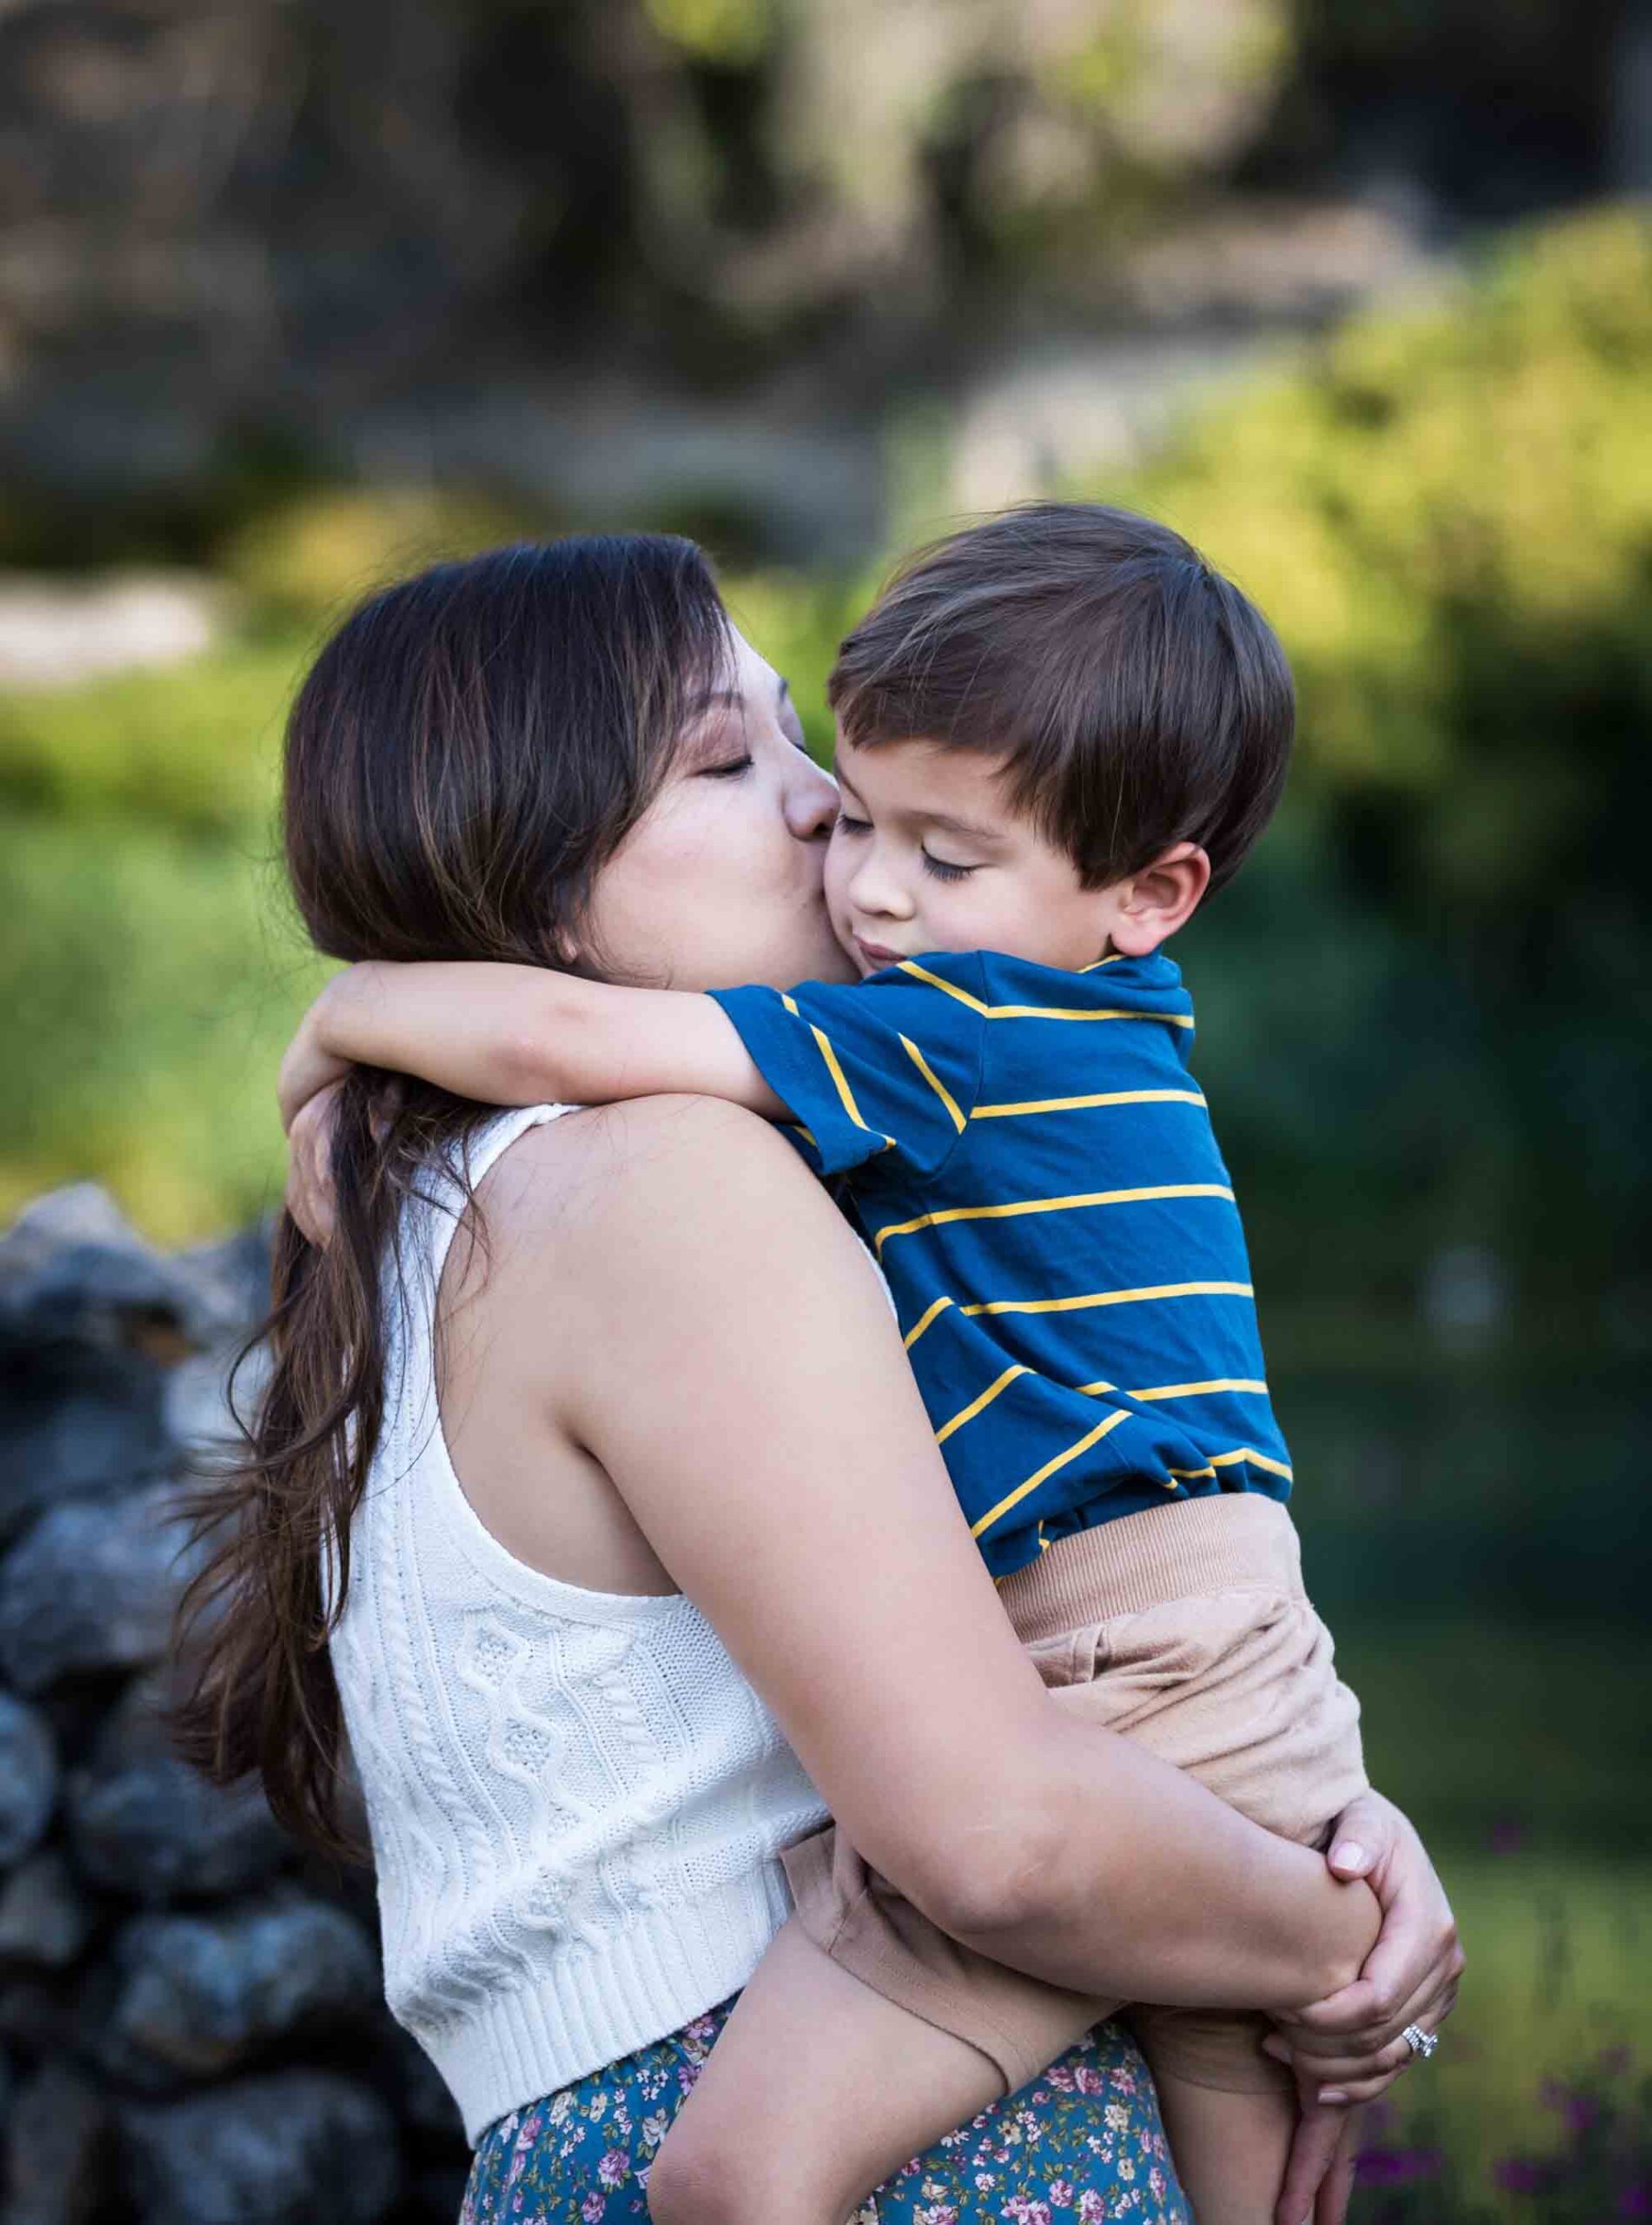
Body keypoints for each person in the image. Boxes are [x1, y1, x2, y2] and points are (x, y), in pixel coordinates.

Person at [188, 534, 1459, 2225]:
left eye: (802, 742)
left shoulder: (413, 1228)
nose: (820, 811)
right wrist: (1326, 1924)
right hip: (894, 2145)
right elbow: (999, 1832)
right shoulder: (665, 1182)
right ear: (527, 872)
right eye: (730, 760)